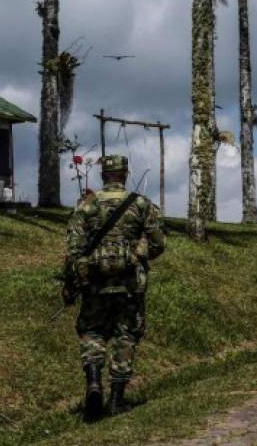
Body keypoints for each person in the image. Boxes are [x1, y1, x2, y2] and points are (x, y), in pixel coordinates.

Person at [61, 154, 166, 419]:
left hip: (94, 284)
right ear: (125, 174)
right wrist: (136, 256)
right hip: (130, 285)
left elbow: (74, 249)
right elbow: (157, 243)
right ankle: (116, 400)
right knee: (126, 335)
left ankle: (94, 383)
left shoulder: (86, 206)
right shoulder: (141, 204)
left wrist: (69, 282)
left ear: (103, 176)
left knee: (93, 332)